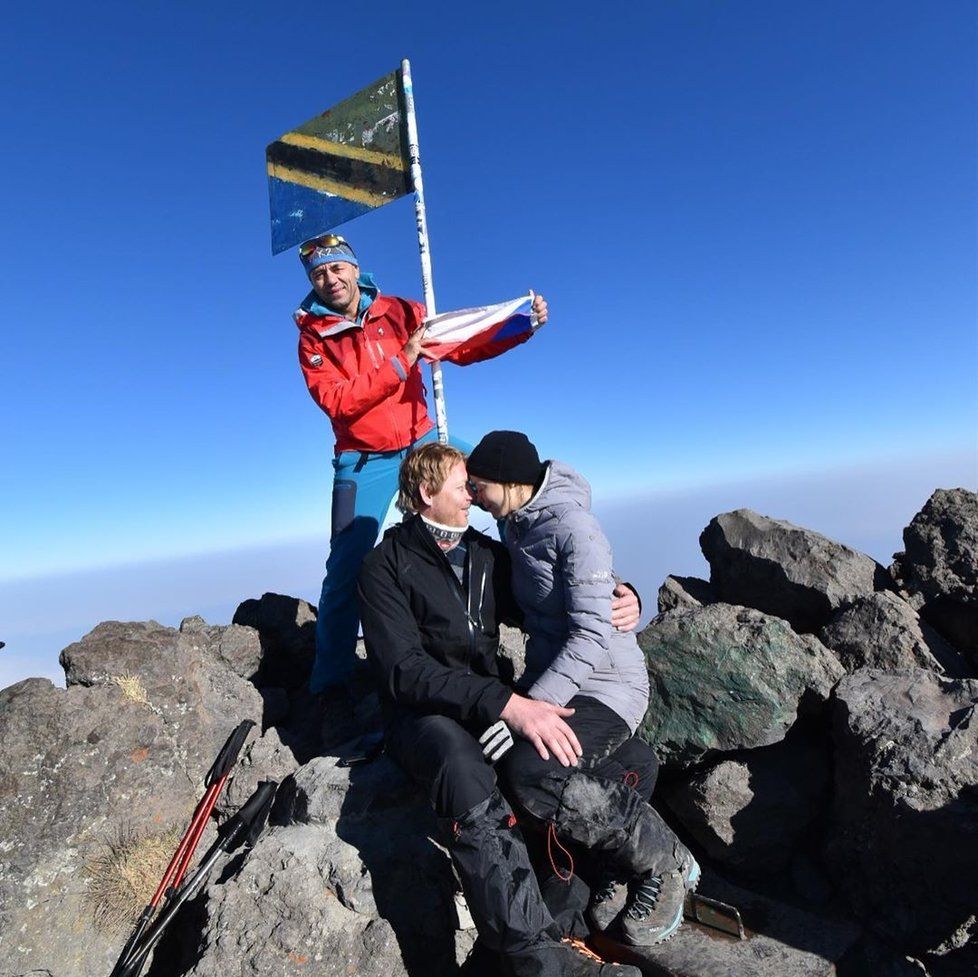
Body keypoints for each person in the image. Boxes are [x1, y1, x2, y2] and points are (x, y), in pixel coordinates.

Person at [357, 445, 682, 975]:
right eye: (462, 485)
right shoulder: (384, 566)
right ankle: (537, 956)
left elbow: (557, 594)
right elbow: (403, 671)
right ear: (425, 494)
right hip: (424, 716)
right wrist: (509, 704)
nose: (473, 496)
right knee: (466, 769)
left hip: (488, 701)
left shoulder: (485, 556)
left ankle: (578, 906)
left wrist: (626, 596)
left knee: (634, 759)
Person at [464, 430, 700, 946]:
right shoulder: (518, 524)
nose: (470, 496)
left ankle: (661, 862)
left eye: (476, 486)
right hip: (562, 681)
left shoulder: (574, 526)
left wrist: (530, 708)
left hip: (609, 686)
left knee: (531, 771)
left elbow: (593, 631)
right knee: (528, 763)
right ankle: (616, 859)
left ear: (508, 483)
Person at [293, 233, 548, 699]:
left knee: (506, 480)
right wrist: (399, 362)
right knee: (347, 565)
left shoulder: (399, 311)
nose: (330, 279)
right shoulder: (314, 337)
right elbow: (338, 402)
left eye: (336, 268)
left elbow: (459, 346)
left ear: (354, 268)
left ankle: (549, 595)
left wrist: (520, 326)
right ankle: (329, 683)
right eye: (318, 273)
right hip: (364, 457)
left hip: (424, 436)